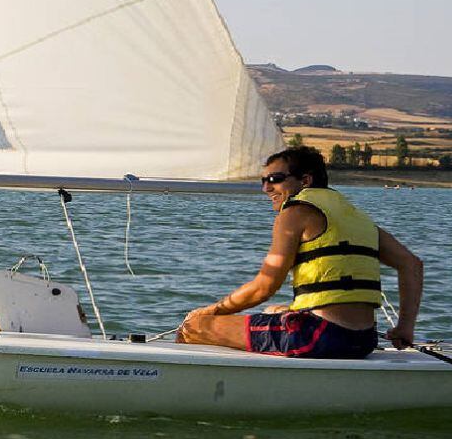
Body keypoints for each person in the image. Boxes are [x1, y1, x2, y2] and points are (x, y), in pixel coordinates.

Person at [177, 146, 423, 358]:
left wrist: (211, 311)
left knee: (196, 326)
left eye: (274, 179)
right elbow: (412, 265)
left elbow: (265, 287)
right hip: (363, 341)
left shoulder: (294, 212)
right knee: (274, 311)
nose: (266, 188)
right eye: (263, 181)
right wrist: (405, 328)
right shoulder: (357, 217)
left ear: (305, 181)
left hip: (317, 337)